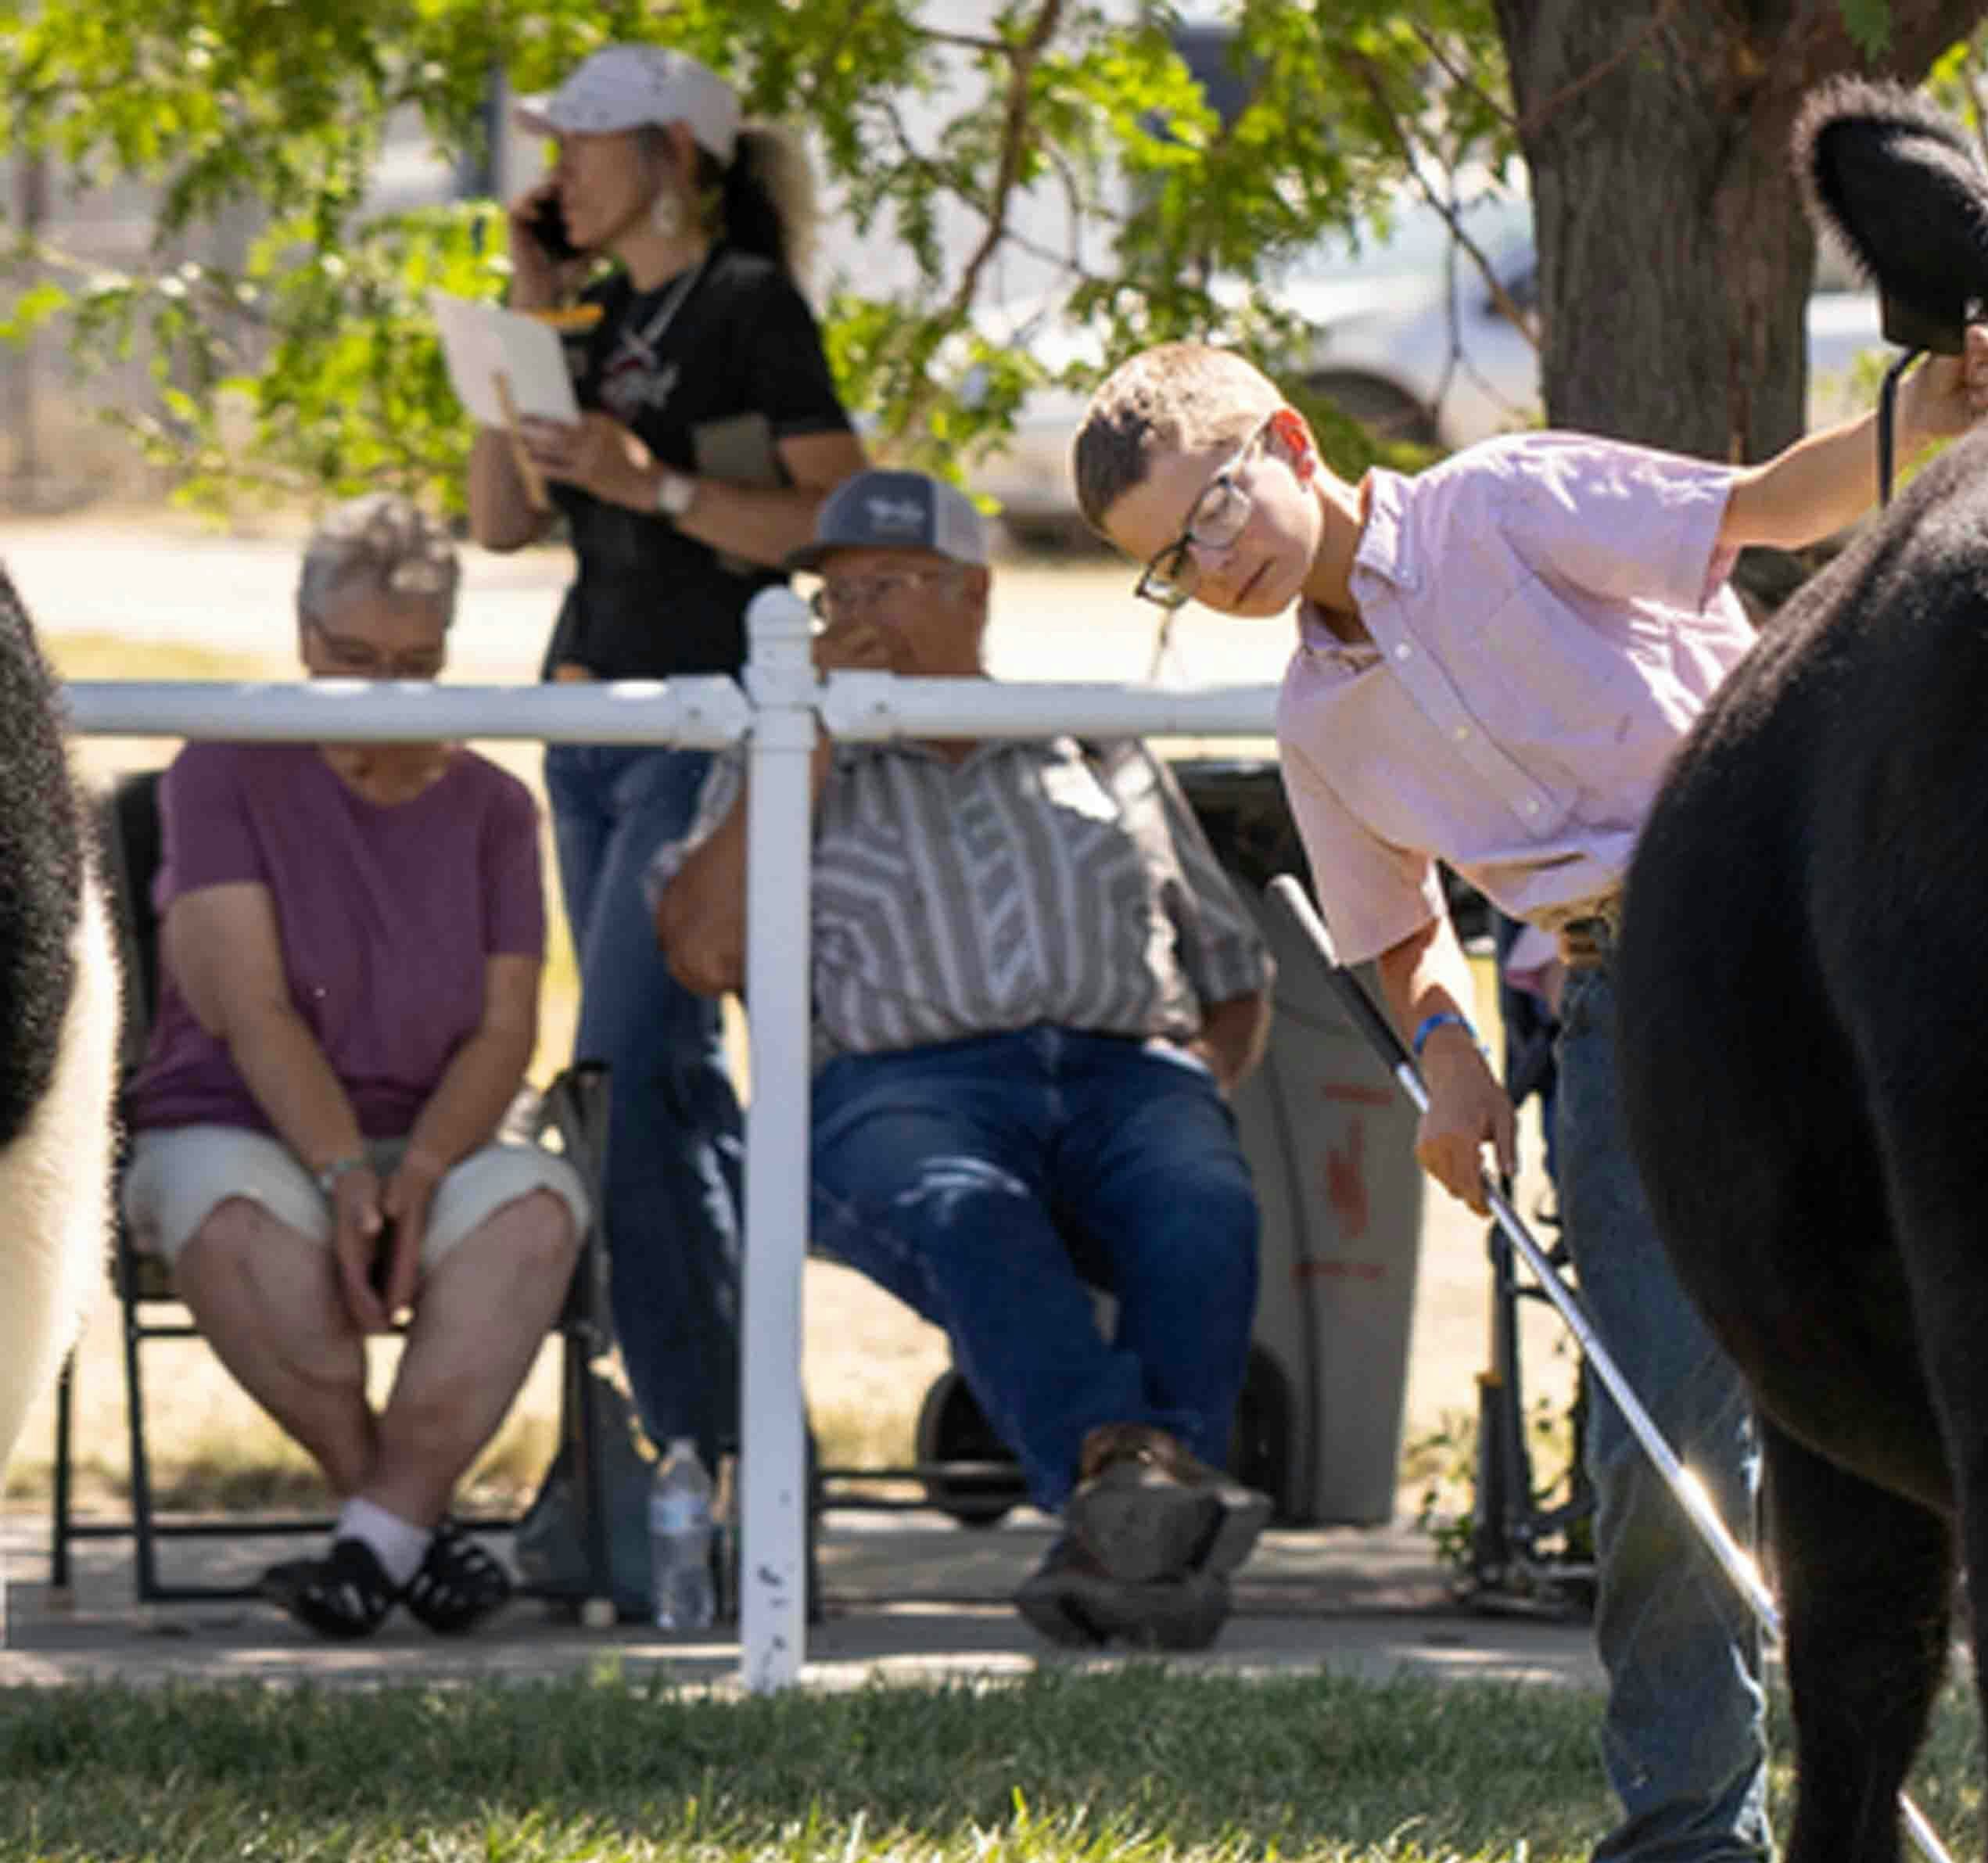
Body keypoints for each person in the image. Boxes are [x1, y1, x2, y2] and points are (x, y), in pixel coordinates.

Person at [1071, 332, 1988, 1863]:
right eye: (1166, 565)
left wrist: (1909, 424)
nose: (1212, 566)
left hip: (1815, 928)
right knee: (1664, 1455)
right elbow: (1395, 935)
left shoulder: (1504, 502)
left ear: (1287, 437)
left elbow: (1758, 511)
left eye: (1213, 512)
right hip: (1629, 1023)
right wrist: (1450, 1066)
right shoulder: (1317, 725)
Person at [649, 471, 1275, 1648]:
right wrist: (810, 747)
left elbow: (1234, 966)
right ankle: (1136, 1480)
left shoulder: (1086, 733)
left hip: (1126, 1071)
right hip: (905, 1087)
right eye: (831, 595)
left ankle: (1122, 1536)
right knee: (967, 1208)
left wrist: (1198, 1091)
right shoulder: (786, 742)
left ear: (974, 594)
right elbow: (698, 949)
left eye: (884, 585)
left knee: (1198, 1197)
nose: (852, 617)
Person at [466, 43, 869, 1479]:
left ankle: (716, 1447)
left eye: (586, 144)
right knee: (658, 1087)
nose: (559, 171)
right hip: (589, 722)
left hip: (703, 720)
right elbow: (502, 523)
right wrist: (522, 321)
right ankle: (734, 1455)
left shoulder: (751, 307)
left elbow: (833, 515)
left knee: (631, 1073)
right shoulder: (589, 312)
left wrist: (662, 486)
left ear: (672, 159)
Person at [120, 497, 588, 1639]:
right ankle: (403, 1530)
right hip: (241, 1118)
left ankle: (366, 1551)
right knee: (236, 1230)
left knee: (534, 1216)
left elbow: (506, 1031)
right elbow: (253, 1010)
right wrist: (345, 1178)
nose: (385, 687)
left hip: (445, 1124)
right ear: (301, 636)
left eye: (416, 664)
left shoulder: (492, 803)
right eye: (354, 659)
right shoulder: (221, 766)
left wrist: (419, 1176)